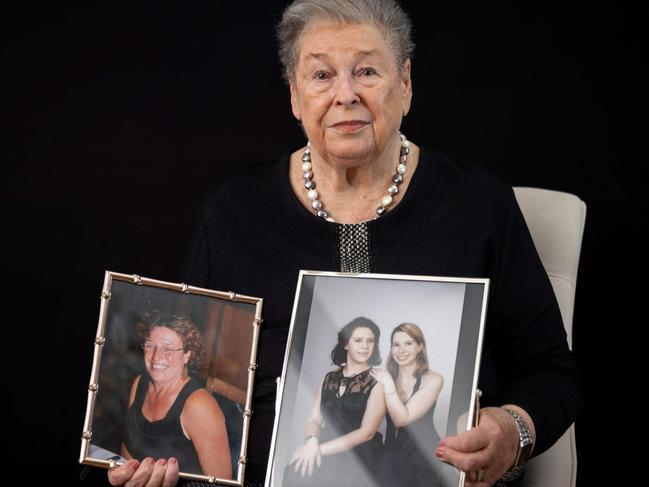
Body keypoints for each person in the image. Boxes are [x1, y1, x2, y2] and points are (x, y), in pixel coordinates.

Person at [109, 0, 582, 485]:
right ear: (295, 95)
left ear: (406, 84)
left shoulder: (479, 206)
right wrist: (162, 464)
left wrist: (514, 429)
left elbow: (552, 373)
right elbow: (190, 379)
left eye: (367, 71)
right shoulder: (234, 213)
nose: (345, 94)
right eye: (320, 76)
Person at [119, 311, 232, 479]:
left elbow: (221, 483)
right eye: (150, 346)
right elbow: (127, 454)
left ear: (187, 355)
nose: (157, 356)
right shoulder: (139, 384)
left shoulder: (199, 405)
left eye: (168, 348)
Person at [284, 317, 385, 487]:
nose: (365, 346)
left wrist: (319, 451)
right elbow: (314, 419)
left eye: (370, 341)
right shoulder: (328, 378)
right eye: (358, 340)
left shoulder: (379, 381)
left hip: (360, 453)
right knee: (294, 472)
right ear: (346, 344)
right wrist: (311, 442)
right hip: (324, 441)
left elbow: (366, 433)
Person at [371, 323, 444, 487]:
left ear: (420, 347)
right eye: (396, 345)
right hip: (390, 458)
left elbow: (401, 419)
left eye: (408, 343)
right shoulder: (384, 377)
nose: (401, 350)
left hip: (424, 458)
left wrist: (388, 384)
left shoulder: (433, 379)